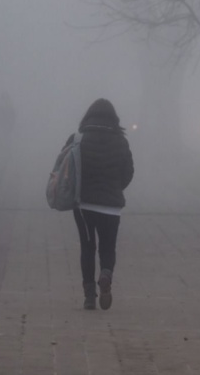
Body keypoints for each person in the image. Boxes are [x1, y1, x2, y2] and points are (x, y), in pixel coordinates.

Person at [64, 98, 134, 310]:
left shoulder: (77, 139)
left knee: (87, 247)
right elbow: (128, 172)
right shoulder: (121, 142)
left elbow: (65, 168)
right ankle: (105, 274)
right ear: (114, 119)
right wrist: (115, 189)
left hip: (83, 205)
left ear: (88, 116)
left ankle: (89, 296)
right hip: (111, 207)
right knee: (107, 247)